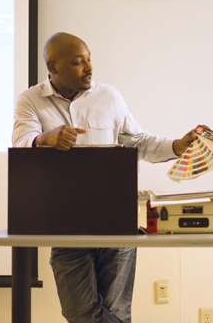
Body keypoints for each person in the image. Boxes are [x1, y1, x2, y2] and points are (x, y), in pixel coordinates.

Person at [12, 32, 196, 323]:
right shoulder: (31, 100)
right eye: (77, 62)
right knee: (79, 312)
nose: (88, 68)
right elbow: (21, 145)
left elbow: (140, 142)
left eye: (89, 60)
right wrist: (46, 138)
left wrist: (177, 146)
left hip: (116, 223)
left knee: (118, 311)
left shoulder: (108, 95)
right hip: (64, 226)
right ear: (53, 67)